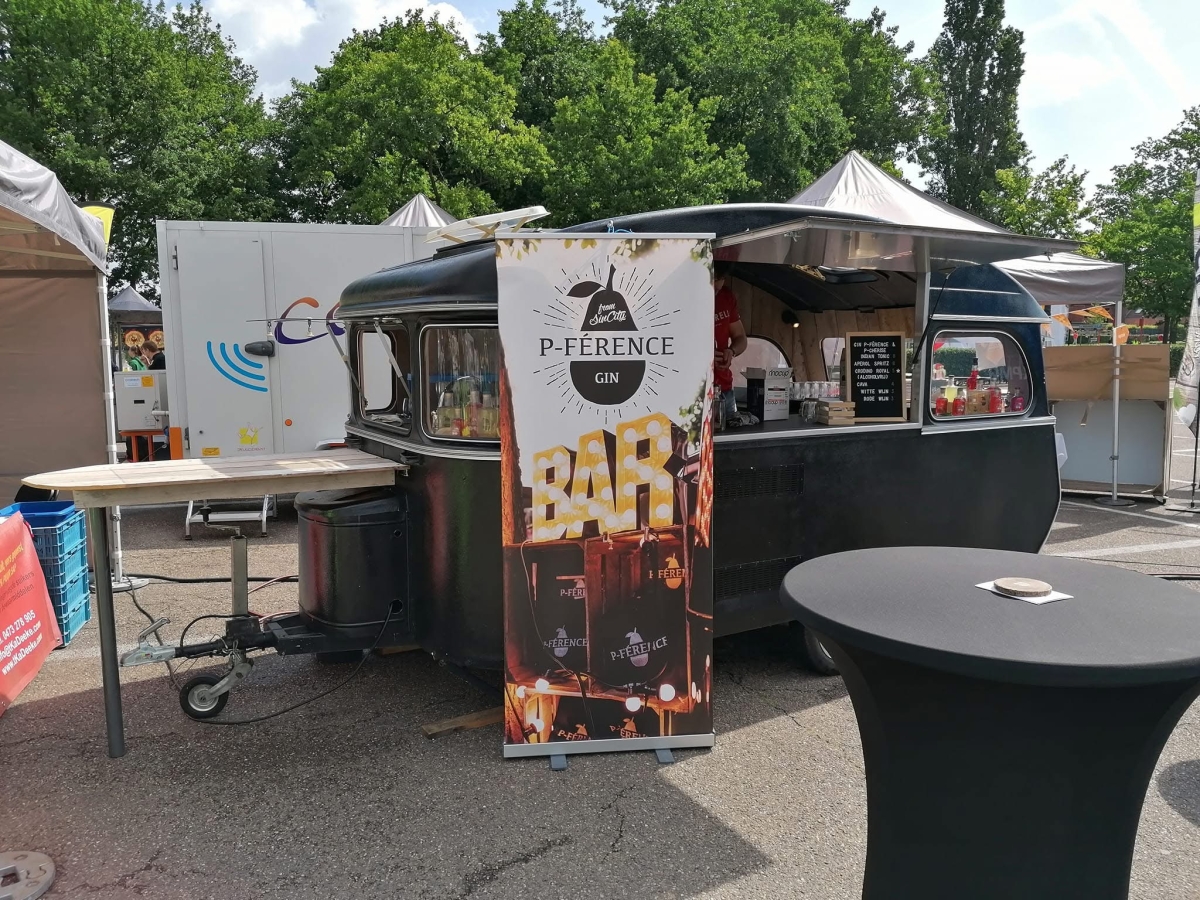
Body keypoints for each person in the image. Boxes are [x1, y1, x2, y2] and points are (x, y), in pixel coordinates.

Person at [714, 270, 747, 422]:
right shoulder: (684, 297)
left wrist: (731, 351)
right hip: (693, 391)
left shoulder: (726, 297)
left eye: (720, 278)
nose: (717, 284)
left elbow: (741, 338)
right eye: (712, 278)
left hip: (724, 390)